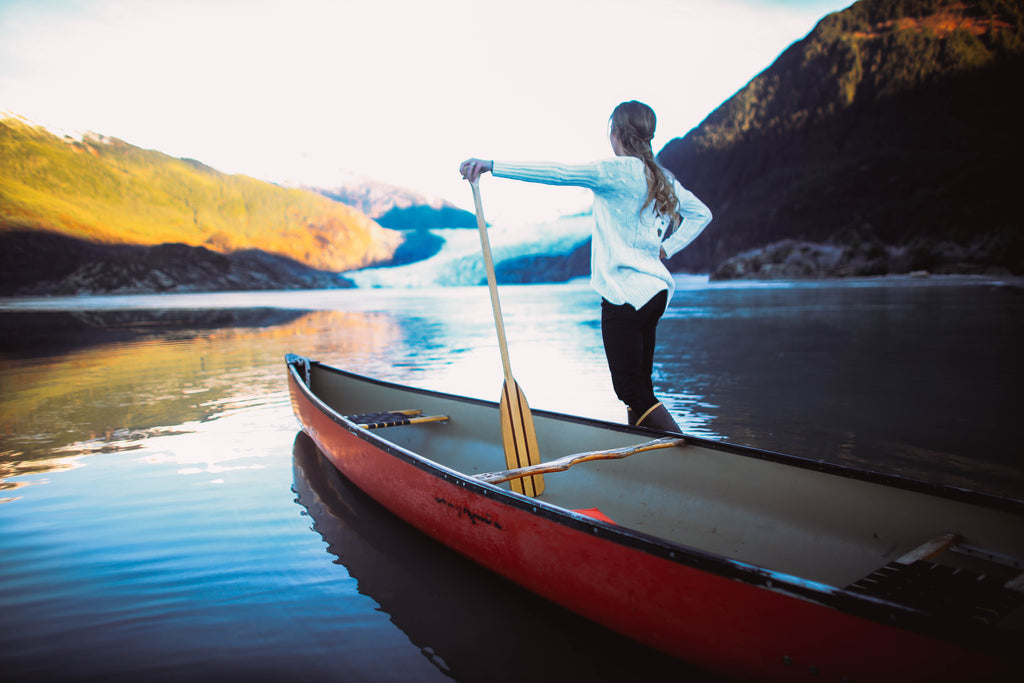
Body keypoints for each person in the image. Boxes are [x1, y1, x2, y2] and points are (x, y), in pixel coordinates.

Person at [460, 100, 712, 433]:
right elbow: (702, 214)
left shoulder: (616, 171)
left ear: (617, 132)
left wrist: (493, 165)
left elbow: (559, 174)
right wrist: (668, 247)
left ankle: (690, 456)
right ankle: (645, 453)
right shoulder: (661, 177)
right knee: (641, 390)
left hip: (624, 294)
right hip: (654, 295)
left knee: (630, 390)